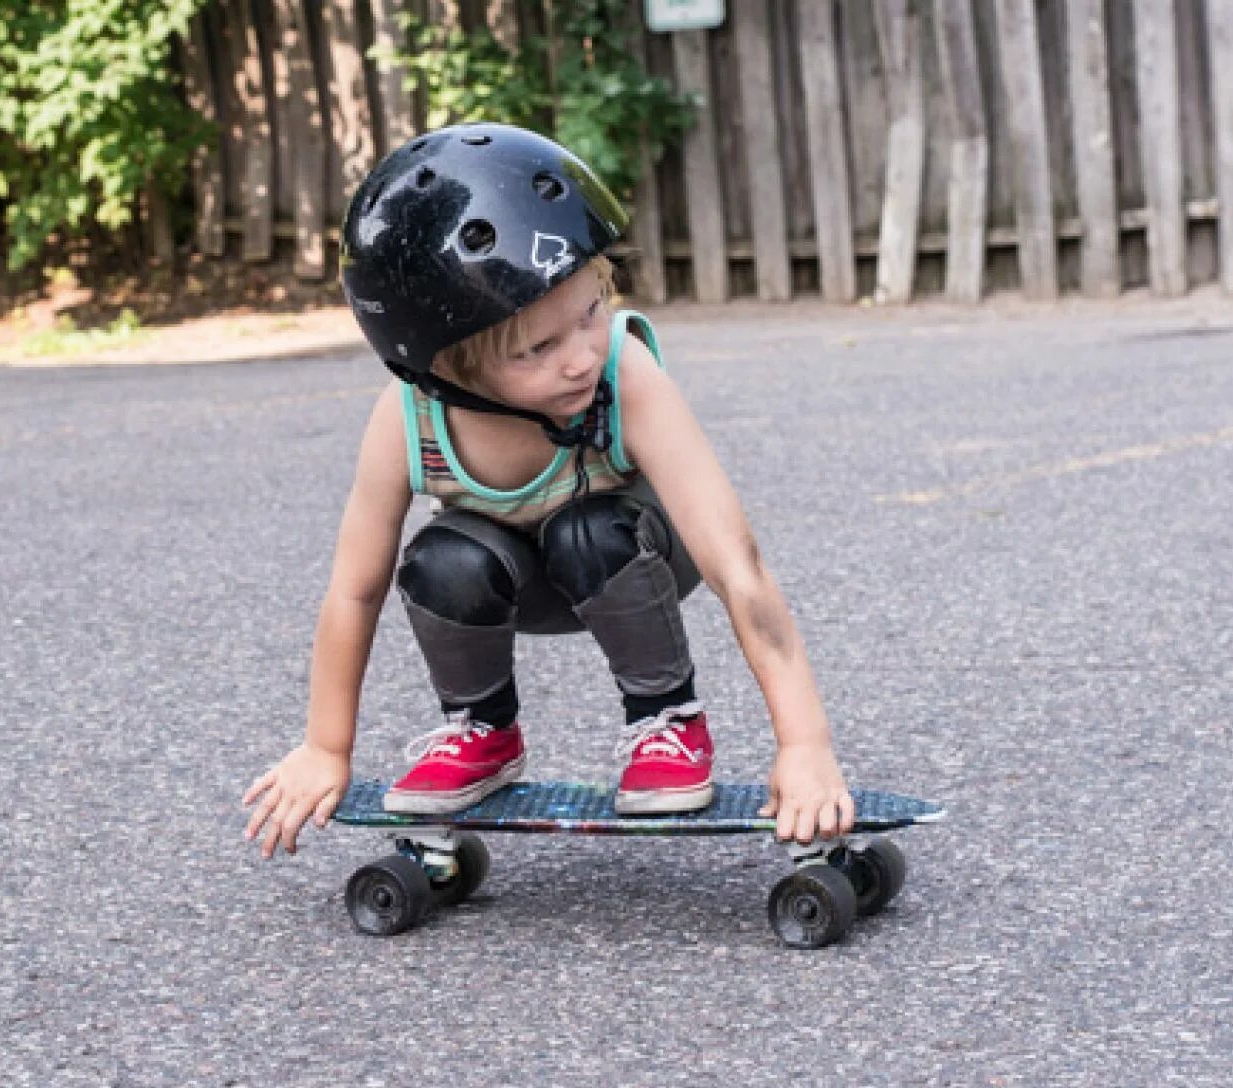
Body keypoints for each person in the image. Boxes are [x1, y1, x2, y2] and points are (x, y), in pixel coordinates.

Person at [244, 123, 855, 857]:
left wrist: (805, 744)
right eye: (538, 348)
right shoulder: (409, 418)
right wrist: (325, 747)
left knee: (588, 528)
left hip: (640, 557)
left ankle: (668, 720)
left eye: (590, 312)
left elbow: (736, 564)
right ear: (446, 369)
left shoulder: (622, 375)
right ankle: (482, 730)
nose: (580, 358)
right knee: (441, 556)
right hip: (516, 583)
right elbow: (353, 590)